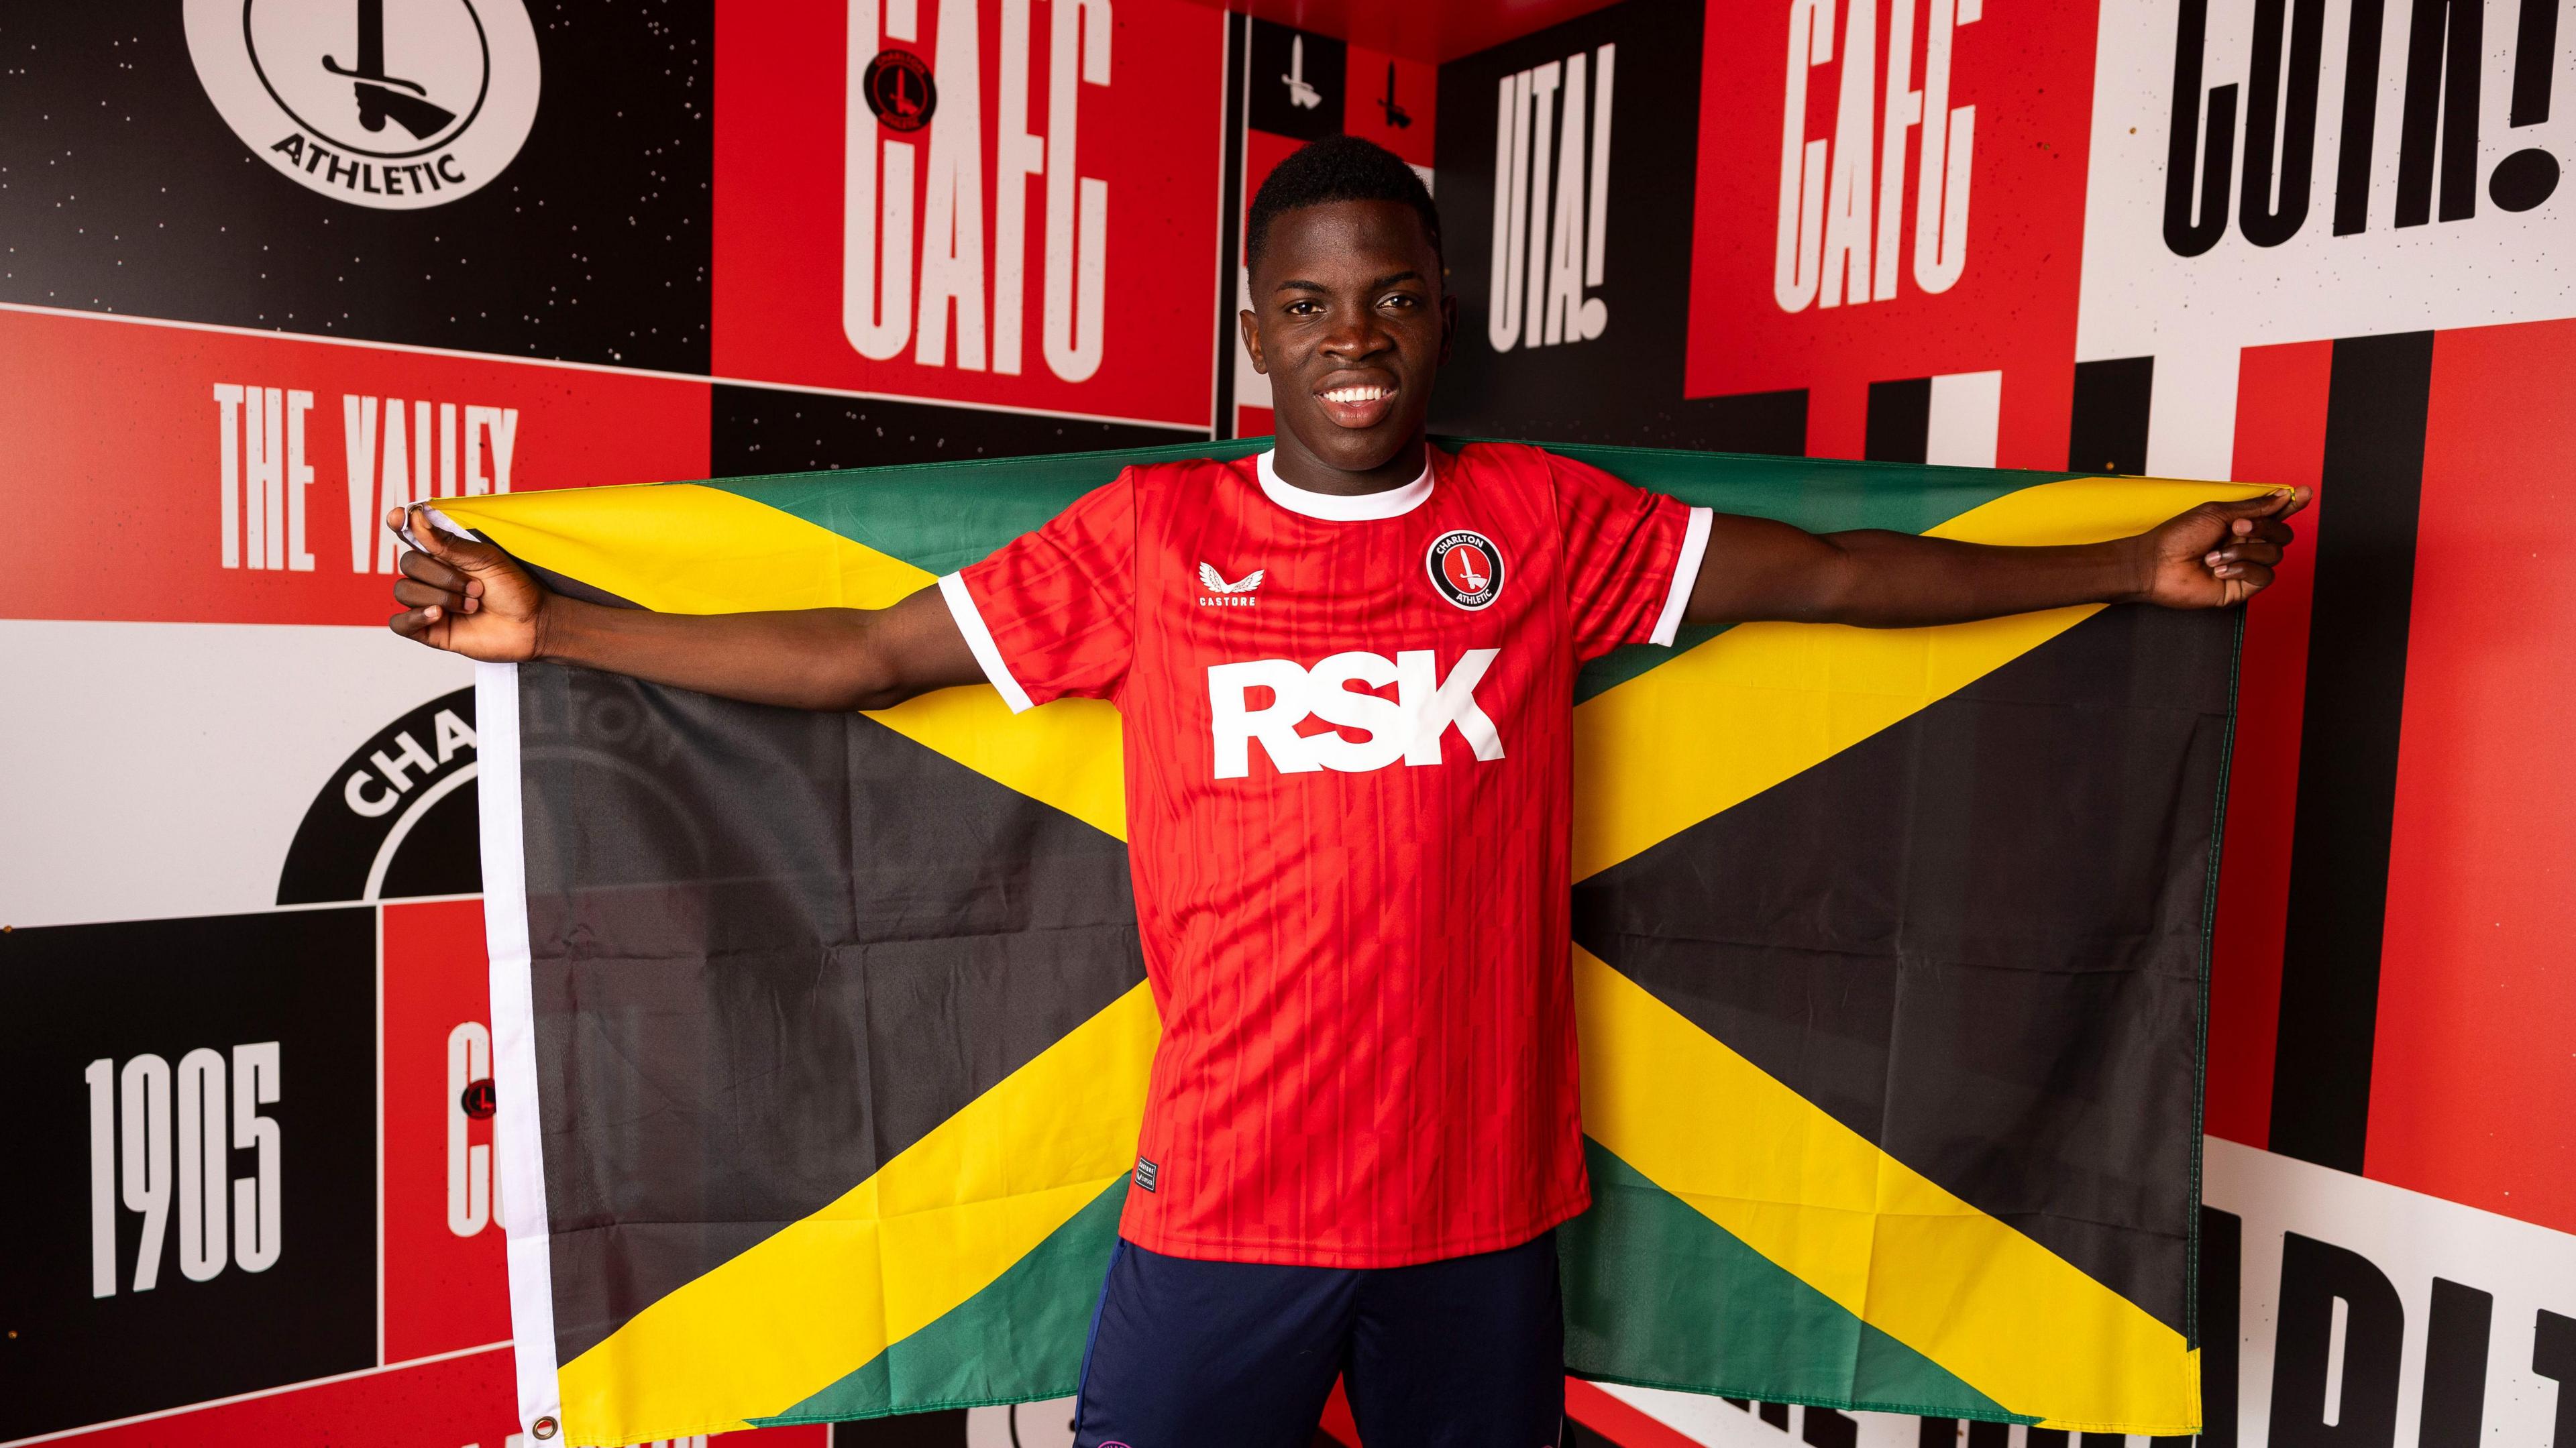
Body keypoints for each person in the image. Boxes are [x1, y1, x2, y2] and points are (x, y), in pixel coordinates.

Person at [386, 136, 2305, 1448]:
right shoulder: (1155, 534)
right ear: (1256, 336)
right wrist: (551, 626)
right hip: (1221, 1210)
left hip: (1475, 1213)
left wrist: (2122, 575)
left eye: (1386, 298)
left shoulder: (1540, 525)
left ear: (1439, 310)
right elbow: (858, 659)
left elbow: (1837, 576)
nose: (1353, 340)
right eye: (1308, 308)